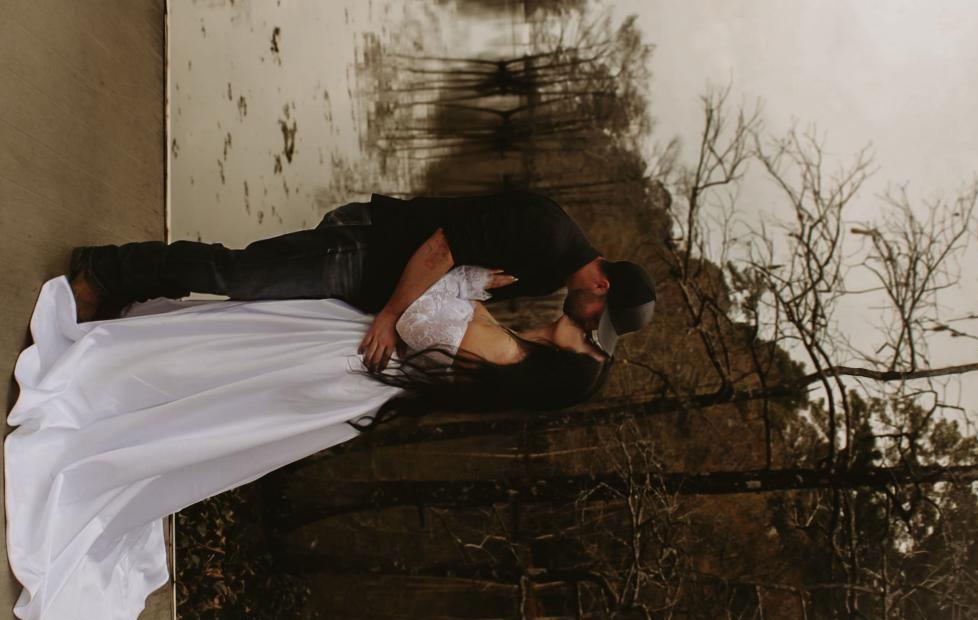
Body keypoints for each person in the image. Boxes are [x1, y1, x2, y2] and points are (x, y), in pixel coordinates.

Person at [4, 255, 627, 620]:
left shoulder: (501, 352)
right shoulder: (507, 356)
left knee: (221, 379)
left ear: (562, 368)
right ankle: (128, 398)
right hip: (353, 381)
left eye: (587, 345)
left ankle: (106, 395)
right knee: (224, 399)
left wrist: (464, 278)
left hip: (347, 356)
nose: (584, 330)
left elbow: (420, 315)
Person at [68, 190, 658, 370]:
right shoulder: (549, 234)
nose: (588, 324)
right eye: (597, 321)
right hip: (371, 249)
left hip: (378, 279)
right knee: (241, 274)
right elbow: (441, 247)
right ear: (602, 289)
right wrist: (389, 316)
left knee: (250, 304)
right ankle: (105, 271)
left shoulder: (552, 271)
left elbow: (461, 280)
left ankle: (125, 288)